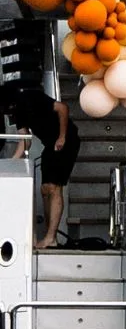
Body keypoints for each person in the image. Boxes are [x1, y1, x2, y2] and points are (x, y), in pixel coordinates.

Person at [10, 88, 80, 250]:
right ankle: (51, 236)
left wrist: (61, 136)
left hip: (66, 139)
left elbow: (62, 108)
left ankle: (51, 237)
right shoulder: (16, 112)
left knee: (54, 188)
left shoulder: (30, 97)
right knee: (45, 189)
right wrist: (11, 163)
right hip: (49, 145)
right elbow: (25, 141)